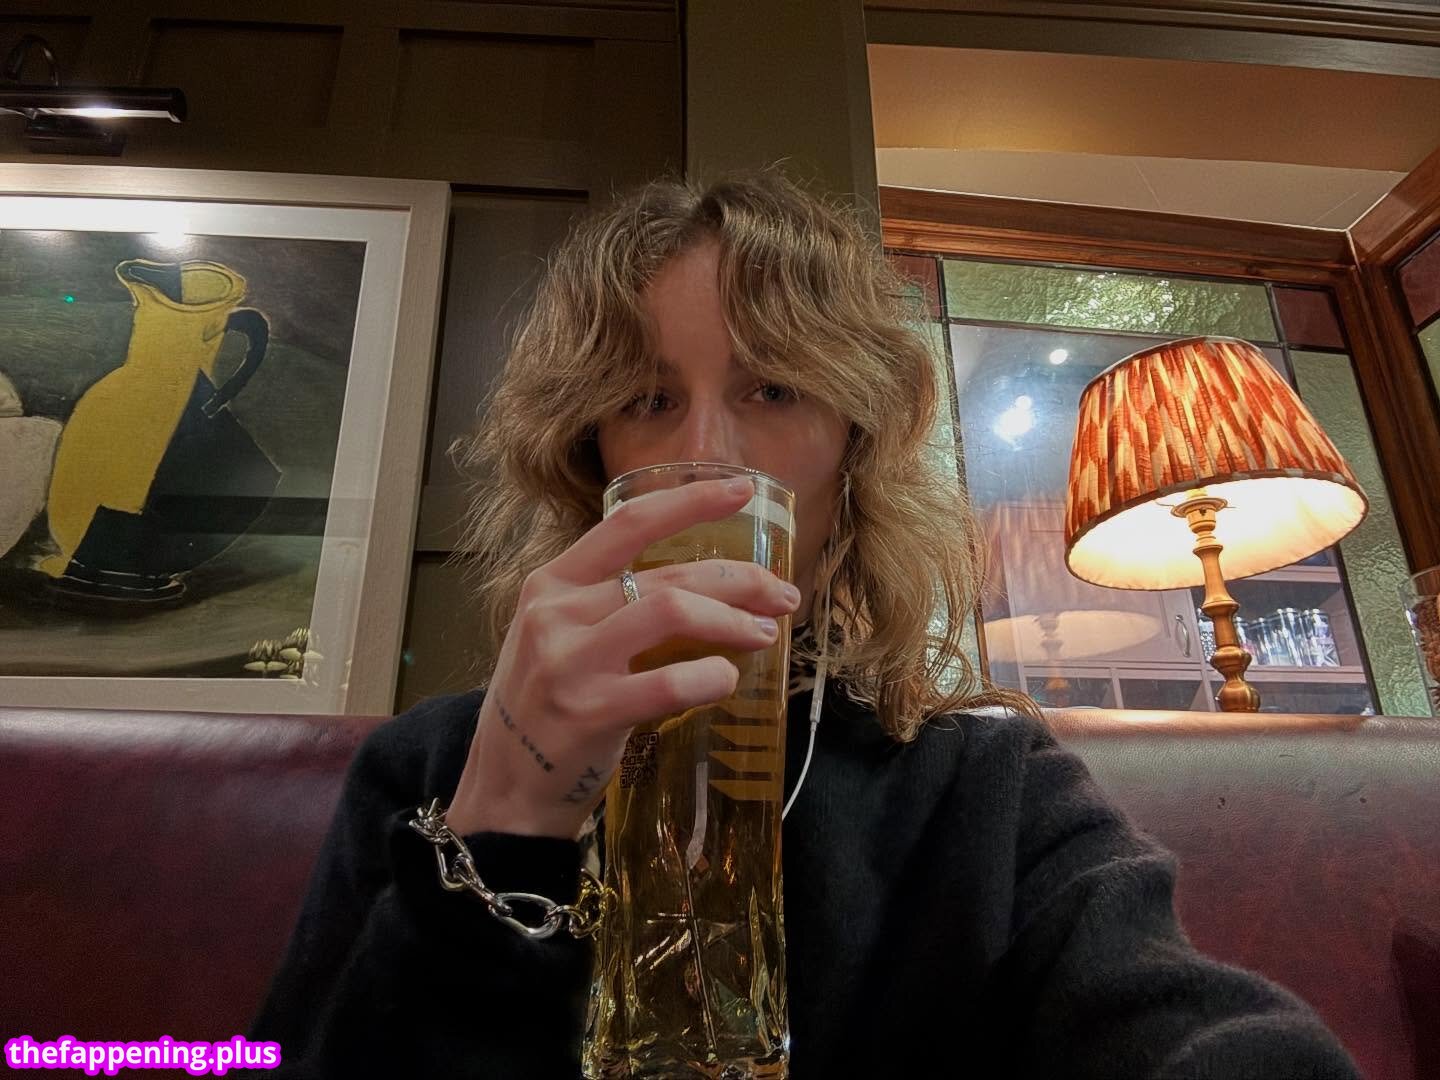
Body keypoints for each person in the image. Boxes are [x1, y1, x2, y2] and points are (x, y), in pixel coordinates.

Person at [245, 168, 1360, 1078]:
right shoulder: (430, 767)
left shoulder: (980, 789)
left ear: (852, 456)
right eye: (648, 399)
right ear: (590, 459)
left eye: (773, 389)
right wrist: (504, 819)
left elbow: (1184, 1030)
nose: (709, 457)